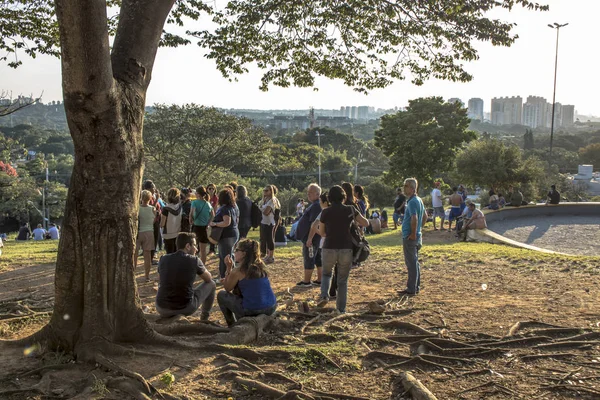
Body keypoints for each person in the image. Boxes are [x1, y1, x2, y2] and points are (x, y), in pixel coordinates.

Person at [316, 185, 369, 312]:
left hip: (329, 247)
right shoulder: (350, 209)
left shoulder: (325, 212)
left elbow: (322, 233)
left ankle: (324, 295)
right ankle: (341, 309)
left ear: (329, 199)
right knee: (342, 281)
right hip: (346, 248)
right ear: (343, 197)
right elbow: (365, 223)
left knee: (326, 274)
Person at [155, 232, 216, 320]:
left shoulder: (163, 258)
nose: (196, 249)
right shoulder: (194, 260)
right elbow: (208, 279)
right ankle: (204, 318)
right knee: (212, 284)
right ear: (188, 246)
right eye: (194, 245)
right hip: (185, 308)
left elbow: (160, 280)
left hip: (161, 308)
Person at [217, 239, 277, 326]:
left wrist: (228, 268)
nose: (234, 252)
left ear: (244, 254)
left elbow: (227, 288)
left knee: (221, 295)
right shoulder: (261, 266)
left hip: (252, 310)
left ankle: (232, 325)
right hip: (271, 307)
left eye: (237, 250)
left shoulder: (238, 271)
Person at [398, 178, 428, 296]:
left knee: (411, 263)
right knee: (415, 262)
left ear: (411, 188)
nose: (404, 188)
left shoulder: (412, 202)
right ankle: (416, 286)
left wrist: (413, 233)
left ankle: (411, 288)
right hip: (416, 236)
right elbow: (425, 216)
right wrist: (419, 229)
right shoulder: (418, 200)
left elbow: (414, 218)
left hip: (411, 237)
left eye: (405, 186)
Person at [294, 183, 322, 287]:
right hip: (315, 238)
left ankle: (306, 281)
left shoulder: (316, 206)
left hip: (312, 237)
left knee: (309, 257)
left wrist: (309, 238)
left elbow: (314, 224)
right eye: (308, 192)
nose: (308, 194)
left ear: (317, 194)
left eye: (311, 192)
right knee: (318, 258)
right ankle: (320, 279)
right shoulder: (315, 205)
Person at [210, 188, 239, 281]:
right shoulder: (233, 207)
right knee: (230, 255)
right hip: (233, 233)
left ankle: (224, 277)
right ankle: (232, 274)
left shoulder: (224, 209)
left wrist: (215, 224)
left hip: (227, 235)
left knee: (224, 257)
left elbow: (227, 222)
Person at [306, 192, 329, 286]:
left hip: (325, 243)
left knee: (326, 266)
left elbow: (313, 225)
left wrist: (322, 234)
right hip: (339, 243)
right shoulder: (339, 210)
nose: (319, 204)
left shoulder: (324, 212)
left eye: (320, 201)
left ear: (325, 202)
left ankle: (325, 289)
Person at [190, 186, 214, 265]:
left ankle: (193, 264)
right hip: (204, 228)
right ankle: (202, 266)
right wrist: (208, 223)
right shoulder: (207, 203)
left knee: (193, 248)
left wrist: (191, 219)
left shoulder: (194, 202)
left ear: (198, 194)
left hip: (196, 227)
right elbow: (212, 215)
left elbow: (192, 213)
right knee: (203, 250)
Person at [136, 190, 157, 281]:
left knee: (135, 254)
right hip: (149, 232)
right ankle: (147, 276)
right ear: (150, 198)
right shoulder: (153, 209)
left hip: (138, 232)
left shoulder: (137, 208)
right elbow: (154, 221)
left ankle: (132, 273)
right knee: (147, 255)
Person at [259, 185, 280, 264]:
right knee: (264, 238)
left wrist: (260, 208)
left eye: (267, 190)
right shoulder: (264, 200)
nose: (265, 192)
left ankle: (271, 256)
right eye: (264, 190)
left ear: (271, 191)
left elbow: (266, 212)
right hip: (264, 221)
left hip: (270, 222)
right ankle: (267, 255)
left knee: (270, 239)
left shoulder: (272, 200)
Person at [161, 188, 182, 254]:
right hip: (178, 233)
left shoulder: (166, 209)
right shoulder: (180, 207)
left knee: (169, 253)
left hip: (168, 235)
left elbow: (162, 224)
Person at [207, 183, 219, 255]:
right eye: (210, 188)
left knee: (212, 233)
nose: (211, 190)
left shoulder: (216, 198)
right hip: (205, 217)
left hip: (213, 217)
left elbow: (215, 208)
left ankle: (212, 249)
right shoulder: (205, 197)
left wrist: (212, 217)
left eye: (213, 189)